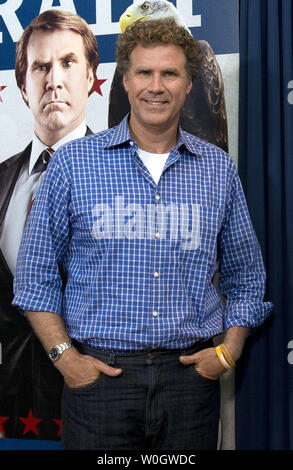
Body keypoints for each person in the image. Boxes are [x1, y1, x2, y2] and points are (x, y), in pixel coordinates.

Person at [13, 18, 272, 450]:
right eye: (144, 73)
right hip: (98, 385)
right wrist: (67, 359)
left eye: (169, 73)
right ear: (125, 82)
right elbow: (33, 276)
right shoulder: (73, 164)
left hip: (190, 383)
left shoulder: (217, 169)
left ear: (188, 83)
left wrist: (227, 354)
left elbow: (246, 277)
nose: (156, 86)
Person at [0, 9, 99, 440]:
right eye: (40, 66)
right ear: (23, 85)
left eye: (67, 63)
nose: (53, 79)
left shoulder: (131, 175)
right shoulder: (1, 180)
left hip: (100, 400)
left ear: (91, 76)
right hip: (11, 407)